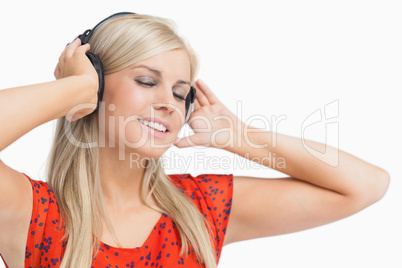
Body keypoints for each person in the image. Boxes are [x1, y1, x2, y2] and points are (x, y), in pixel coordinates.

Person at [0, 12, 390, 268]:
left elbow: (365, 186)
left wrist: (241, 138)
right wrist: (76, 88)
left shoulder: (201, 210)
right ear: (100, 89)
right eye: (147, 81)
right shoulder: (35, 214)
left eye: (180, 92)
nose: (169, 104)